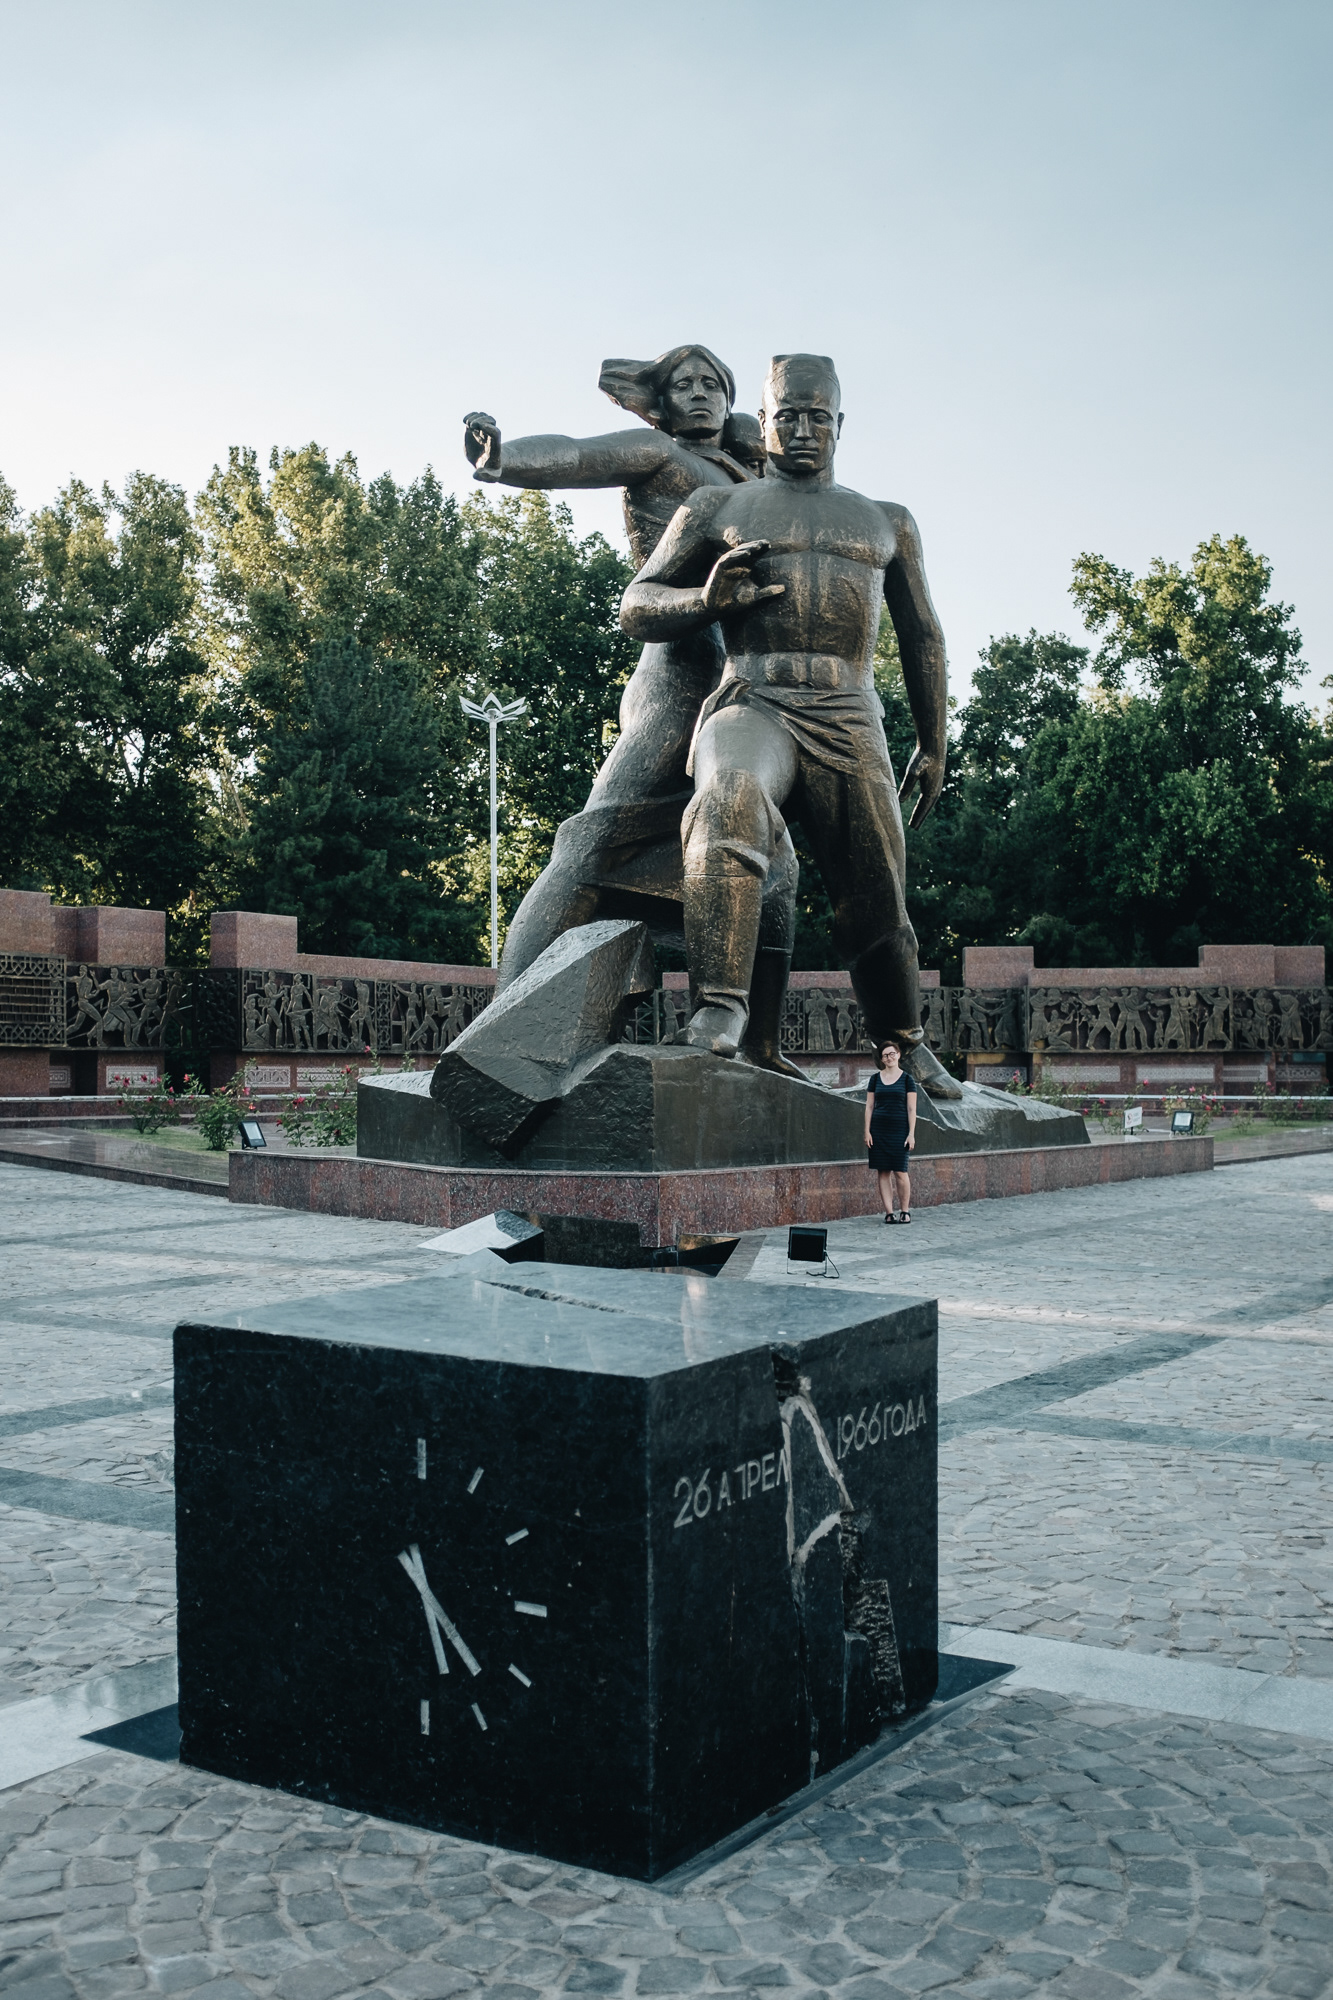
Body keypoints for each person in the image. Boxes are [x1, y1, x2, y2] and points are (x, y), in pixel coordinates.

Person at [620, 351, 959, 1097]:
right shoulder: (716, 509)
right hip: (754, 700)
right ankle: (718, 1009)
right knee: (727, 798)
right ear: (764, 422)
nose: (801, 429)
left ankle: (905, 1041)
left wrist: (933, 745)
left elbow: (922, 635)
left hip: (847, 714)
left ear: (840, 424)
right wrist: (704, 602)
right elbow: (636, 605)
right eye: (786, 416)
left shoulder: (886, 520)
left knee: (875, 892)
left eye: (817, 416)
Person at [462, 347, 800, 1076]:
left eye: (714, 383)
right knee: (596, 840)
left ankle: (763, 1046)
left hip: (741, 688)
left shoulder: (747, 472)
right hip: (679, 666)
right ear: (660, 401)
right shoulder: (660, 453)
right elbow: (578, 455)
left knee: (773, 868)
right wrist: (503, 460)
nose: (702, 395)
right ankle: (504, 1016)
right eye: (684, 384)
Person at [864, 1038, 917, 1222]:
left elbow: (912, 1109)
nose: (889, 1057)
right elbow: (869, 1107)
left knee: (901, 1172)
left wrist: (911, 1134)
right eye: (885, 1055)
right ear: (881, 1059)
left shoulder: (908, 1080)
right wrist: (867, 1131)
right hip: (878, 1130)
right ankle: (889, 1213)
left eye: (892, 1054)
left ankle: (905, 1210)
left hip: (900, 1131)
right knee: (883, 1172)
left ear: (898, 1055)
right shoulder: (874, 1079)